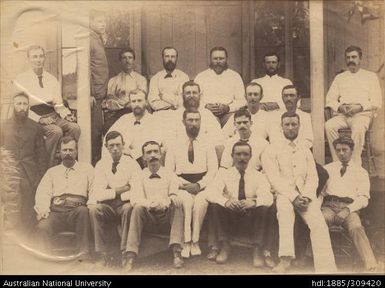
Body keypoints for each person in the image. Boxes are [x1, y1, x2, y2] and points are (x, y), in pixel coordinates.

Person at [262, 112, 336, 273]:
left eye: (293, 124)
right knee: (285, 212)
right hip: (283, 194)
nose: (290, 128)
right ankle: (285, 259)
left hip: (305, 196)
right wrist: (293, 197)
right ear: (281, 127)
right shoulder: (271, 149)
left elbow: (313, 177)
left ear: (299, 126)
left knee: (318, 221)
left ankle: (326, 269)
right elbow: (274, 179)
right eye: (287, 124)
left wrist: (307, 196)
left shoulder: (305, 149)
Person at [206, 141, 273, 267]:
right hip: (230, 217)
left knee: (264, 207)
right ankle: (225, 246)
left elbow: (268, 197)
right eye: (238, 154)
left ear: (250, 156)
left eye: (245, 154)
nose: (242, 158)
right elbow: (210, 192)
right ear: (232, 156)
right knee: (215, 205)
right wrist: (226, 202)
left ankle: (257, 250)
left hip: (251, 218)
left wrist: (253, 202)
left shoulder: (259, 176)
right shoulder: (224, 174)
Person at [13, 45, 80, 167]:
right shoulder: (21, 79)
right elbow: (21, 107)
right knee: (55, 131)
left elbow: (58, 105)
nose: (38, 60)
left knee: (75, 128)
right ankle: (46, 166)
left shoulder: (51, 79)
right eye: (34, 57)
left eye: (40, 56)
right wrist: (40, 119)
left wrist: (67, 115)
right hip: (32, 118)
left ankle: (66, 160)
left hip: (53, 116)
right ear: (28, 59)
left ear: (44, 58)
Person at [124, 141, 184, 271]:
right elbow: (135, 199)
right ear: (144, 157)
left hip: (166, 217)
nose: (153, 155)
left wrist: (165, 203)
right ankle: (130, 256)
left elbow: (173, 194)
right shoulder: (139, 175)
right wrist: (151, 205)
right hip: (149, 217)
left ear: (161, 154)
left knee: (177, 204)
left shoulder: (170, 174)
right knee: (137, 208)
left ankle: (177, 253)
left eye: (155, 152)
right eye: (149, 153)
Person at [165, 109, 218, 258]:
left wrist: (200, 185)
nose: (194, 124)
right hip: (182, 185)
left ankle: (195, 241)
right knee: (186, 202)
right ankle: (186, 242)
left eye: (197, 120)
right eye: (190, 120)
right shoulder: (174, 144)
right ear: (183, 122)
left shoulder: (208, 143)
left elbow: (213, 169)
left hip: (202, 185)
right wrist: (183, 185)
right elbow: (169, 171)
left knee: (201, 203)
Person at [322, 136, 378, 271]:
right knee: (318, 223)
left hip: (350, 209)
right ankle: (313, 260)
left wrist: (348, 209)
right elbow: (321, 193)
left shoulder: (360, 172)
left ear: (351, 150)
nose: (341, 153)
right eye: (338, 150)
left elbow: (364, 198)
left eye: (344, 150)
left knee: (356, 227)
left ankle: (371, 265)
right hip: (329, 206)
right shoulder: (327, 169)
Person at [88, 131, 141, 267]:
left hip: (125, 204)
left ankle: (125, 253)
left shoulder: (132, 164)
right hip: (107, 206)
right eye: (111, 146)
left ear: (123, 145)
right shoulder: (101, 165)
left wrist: (113, 193)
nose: (115, 148)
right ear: (106, 147)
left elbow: (136, 190)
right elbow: (98, 194)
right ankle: (101, 254)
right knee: (94, 209)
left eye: (118, 145)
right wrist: (121, 189)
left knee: (129, 208)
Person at [34, 136, 93, 257]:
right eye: (64, 150)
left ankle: (84, 256)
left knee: (83, 212)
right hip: (56, 212)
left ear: (76, 151)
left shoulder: (87, 169)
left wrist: (91, 204)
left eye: (71, 150)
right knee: (42, 227)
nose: (67, 153)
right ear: (59, 152)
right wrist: (43, 209)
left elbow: (94, 190)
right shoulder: (52, 172)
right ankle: (45, 260)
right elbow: (43, 193)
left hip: (77, 210)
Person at [325, 45, 382, 165]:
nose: (351, 60)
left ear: (360, 59)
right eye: (348, 57)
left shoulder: (370, 76)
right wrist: (340, 107)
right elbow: (330, 99)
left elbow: (377, 100)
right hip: (343, 115)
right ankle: (338, 162)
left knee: (358, 128)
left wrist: (359, 107)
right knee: (329, 126)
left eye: (354, 57)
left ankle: (354, 164)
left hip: (361, 114)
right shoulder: (340, 78)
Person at [1, 92, 48, 234]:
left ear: (28, 106)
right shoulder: (3, 126)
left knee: (28, 203)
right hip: (9, 173)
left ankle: (28, 235)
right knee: (11, 204)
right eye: (18, 104)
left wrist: (39, 175)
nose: (22, 107)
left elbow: (41, 155)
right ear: (13, 105)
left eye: (24, 104)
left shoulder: (36, 127)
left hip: (29, 173)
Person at [104, 89, 167, 168]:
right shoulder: (124, 119)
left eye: (139, 100)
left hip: (145, 162)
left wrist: (131, 153)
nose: (136, 104)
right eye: (133, 101)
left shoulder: (155, 121)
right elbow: (109, 137)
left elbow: (153, 144)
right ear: (130, 103)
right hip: (125, 161)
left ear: (146, 102)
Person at [195, 46, 246, 127]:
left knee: (234, 123)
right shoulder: (201, 77)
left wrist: (228, 108)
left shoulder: (235, 76)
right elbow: (194, 99)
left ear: (226, 59)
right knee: (210, 124)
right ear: (210, 59)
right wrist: (206, 106)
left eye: (221, 58)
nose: (218, 61)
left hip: (228, 113)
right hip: (207, 113)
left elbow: (242, 101)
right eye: (215, 58)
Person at [104, 48, 147, 133]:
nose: (127, 61)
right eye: (124, 58)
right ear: (120, 61)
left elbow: (141, 99)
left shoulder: (141, 80)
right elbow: (110, 103)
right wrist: (126, 103)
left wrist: (119, 100)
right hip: (118, 113)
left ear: (134, 60)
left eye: (130, 58)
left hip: (136, 112)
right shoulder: (113, 81)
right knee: (107, 127)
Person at [90, 9, 109, 166]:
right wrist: (89, 93)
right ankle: (93, 163)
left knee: (100, 130)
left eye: (104, 22)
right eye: (98, 21)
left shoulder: (98, 39)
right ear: (91, 23)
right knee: (95, 131)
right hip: (94, 94)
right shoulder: (89, 40)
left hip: (101, 93)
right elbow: (86, 67)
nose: (102, 25)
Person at [268, 85, 313, 149]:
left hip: (300, 151)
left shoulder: (305, 116)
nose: (288, 98)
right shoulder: (274, 116)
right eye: (285, 96)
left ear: (298, 97)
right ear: (282, 98)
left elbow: (309, 140)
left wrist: (295, 149)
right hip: (280, 151)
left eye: (292, 95)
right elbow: (274, 139)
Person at [148, 47, 189, 113]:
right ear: (163, 58)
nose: (170, 59)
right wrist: (171, 105)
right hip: (160, 115)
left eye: (173, 57)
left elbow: (183, 101)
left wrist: (163, 96)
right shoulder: (155, 79)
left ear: (176, 58)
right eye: (167, 56)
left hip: (178, 114)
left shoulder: (184, 77)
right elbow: (153, 102)